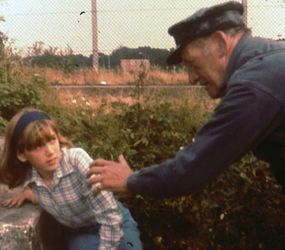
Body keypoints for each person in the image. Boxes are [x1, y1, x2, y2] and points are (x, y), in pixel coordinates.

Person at [86, 1, 285, 197]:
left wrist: (131, 181)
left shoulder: (253, 85)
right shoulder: (271, 59)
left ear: (220, 44)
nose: (192, 79)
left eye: (192, 63)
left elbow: (195, 167)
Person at [0, 107, 142, 250]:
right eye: (38, 147)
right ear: (22, 155)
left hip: (116, 223)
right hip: (82, 234)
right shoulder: (29, 178)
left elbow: (109, 214)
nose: (50, 151)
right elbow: (54, 195)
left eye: (52, 140)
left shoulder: (76, 161)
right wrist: (28, 193)